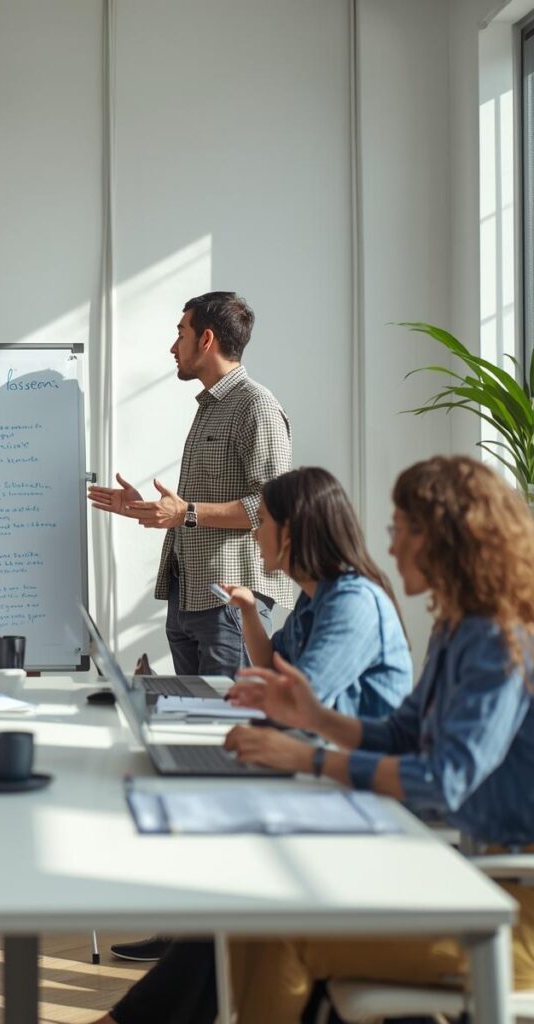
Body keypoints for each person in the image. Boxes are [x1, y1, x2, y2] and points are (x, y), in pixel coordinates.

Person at [90, 454, 534, 1023]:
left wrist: (311, 754)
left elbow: (444, 780)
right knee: (256, 918)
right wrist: (315, 719)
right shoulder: (459, 625)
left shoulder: (499, 639)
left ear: (446, 534)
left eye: (401, 530)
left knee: (271, 928)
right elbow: (403, 732)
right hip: (471, 881)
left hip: (507, 912)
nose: (391, 547)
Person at [87, 290, 294, 963]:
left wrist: (190, 516)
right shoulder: (210, 408)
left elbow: (272, 505)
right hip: (190, 599)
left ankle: (223, 937)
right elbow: (193, 509)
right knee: (194, 768)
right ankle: (188, 934)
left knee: (221, 767)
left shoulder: (255, 405)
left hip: (231, 608)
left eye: (179, 333)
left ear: (207, 338)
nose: (172, 345)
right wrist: (148, 510)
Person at [222, 466, 411, 717]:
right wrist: (248, 609)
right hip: (323, 747)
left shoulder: (353, 603)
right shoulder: (314, 597)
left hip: (358, 754)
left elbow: (302, 700)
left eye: (263, 520)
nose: (255, 533)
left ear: (288, 532)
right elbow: (270, 664)